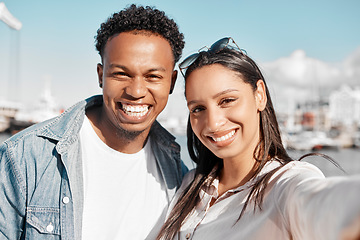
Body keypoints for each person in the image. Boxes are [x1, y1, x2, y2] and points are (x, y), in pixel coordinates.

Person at [0, 4, 188, 240]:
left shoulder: (179, 175)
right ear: (101, 76)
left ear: (171, 82)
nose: (137, 91)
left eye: (153, 76)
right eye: (121, 73)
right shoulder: (25, 158)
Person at [156, 37, 360, 240]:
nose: (212, 123)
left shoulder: (285, 187)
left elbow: (329, 205)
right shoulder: (190, 184)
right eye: (198, 108)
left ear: (259, 95)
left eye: (227, 100)